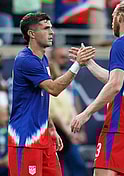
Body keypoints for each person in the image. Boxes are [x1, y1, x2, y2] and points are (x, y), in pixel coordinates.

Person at [70, 0, 124, 175]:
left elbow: (115, 85)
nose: (111, 21)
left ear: (121, 17)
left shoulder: (121, 43)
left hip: (121, 125)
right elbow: (118, 80)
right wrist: (89, 63)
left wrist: (87, 113)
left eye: (113, 16)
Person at [8, 12, 95, 176]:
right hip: (26, 137)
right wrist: (77, 65)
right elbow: (54, 89)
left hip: (43, 135)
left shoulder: (42, 59)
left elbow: (41, 98)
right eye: (46, 28)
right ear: (31, 34)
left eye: (51, 28)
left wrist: (51, 127)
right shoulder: (26, 60)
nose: (52, 32)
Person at [48, 47, 88, 176]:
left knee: (76, 166)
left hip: (68, 131)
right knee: (58, 167)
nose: (64, 61)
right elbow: (54, 114)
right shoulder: (49, 87)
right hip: (58, 132)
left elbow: (73, 107)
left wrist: (78, 129)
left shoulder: (69, 86)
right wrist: (69, 133)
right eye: (61, 57)